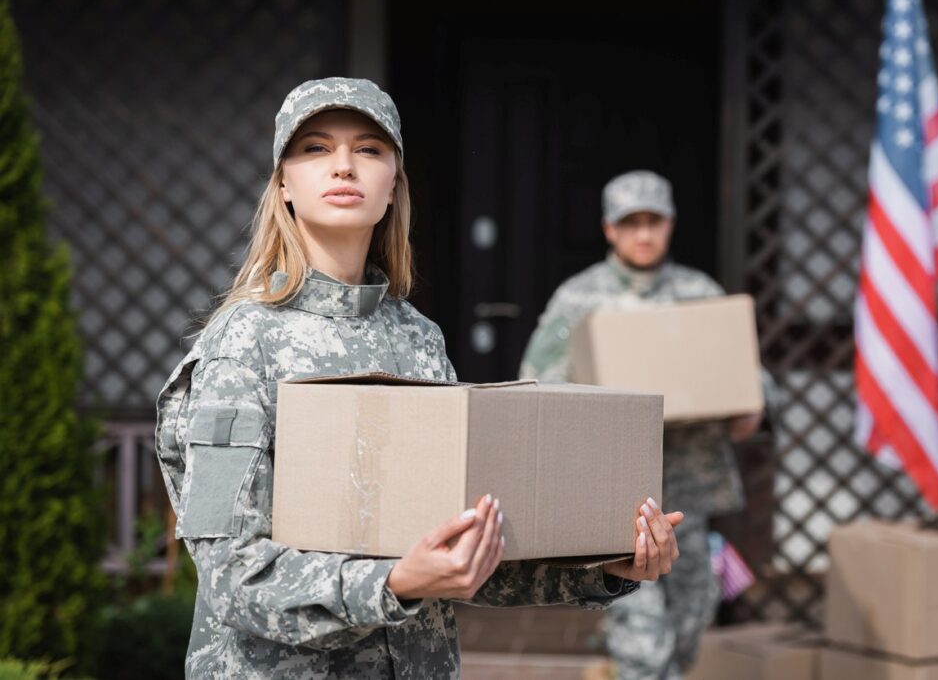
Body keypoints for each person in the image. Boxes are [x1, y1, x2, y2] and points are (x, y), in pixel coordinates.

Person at [154, 79, 683, 679]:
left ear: (393, 187)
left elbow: (464, 558)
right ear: (283, 184)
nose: (345, 166)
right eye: (316, 148)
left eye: (371, 150)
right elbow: (231, 573)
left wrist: (607, 569)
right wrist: (395, 581)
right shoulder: (242, 343)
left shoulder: (418, 340)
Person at [519, 170, 770, 679]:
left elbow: (747, 376)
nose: (642, 234)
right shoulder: (579, 298)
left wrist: (752, 408)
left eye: (652, 222)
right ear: (609, 229)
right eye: (629, 223)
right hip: (619, 495)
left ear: (670, 224)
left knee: (690, 619)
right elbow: (534, 384)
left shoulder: (699, 293)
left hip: (690, 493)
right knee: (643, 637)